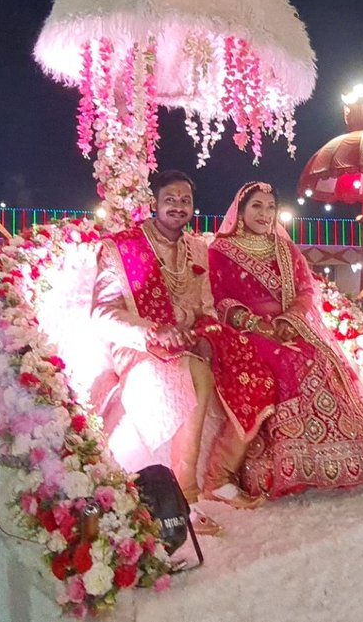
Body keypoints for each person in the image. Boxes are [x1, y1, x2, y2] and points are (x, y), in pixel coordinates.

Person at [208, 181, 363, 499]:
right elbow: (219, 297)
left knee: (320, 357)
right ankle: (286, 465)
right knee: (288, 360)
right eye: (256, 206)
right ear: (240, 211)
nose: (264, 213)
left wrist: (289, 319)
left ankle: (333, 461)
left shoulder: (285, 249)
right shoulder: (220, 251)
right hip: (244, 332)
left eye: (270, 207)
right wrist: (253, 323)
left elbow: (305, 290)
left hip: (288, 327)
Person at [91, 170, 235, 525]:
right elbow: (102, 313)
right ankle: (186, 494)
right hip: (138, 345)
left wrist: (205, 335)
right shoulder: (121, 247)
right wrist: (154, 332)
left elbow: (206, 307)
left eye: (185, 200)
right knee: (196, 374)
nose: (178, 206)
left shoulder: (197, 249)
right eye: (170, 199)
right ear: (154, 203)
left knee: (238, 364)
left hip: (185, 342)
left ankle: (225, 476)